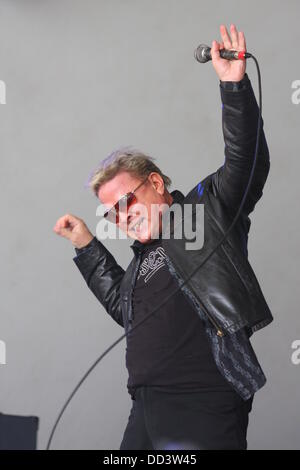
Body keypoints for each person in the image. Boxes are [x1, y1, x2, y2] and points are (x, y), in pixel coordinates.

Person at [53, 24, 273, 450]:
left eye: (127, 201)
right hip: (145, 409)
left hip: (200, 401)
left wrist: (234, 88)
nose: (122, 216)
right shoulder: (141, 262)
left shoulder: (205, 214)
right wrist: (85, 244)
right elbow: (126, 309)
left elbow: (246, 162)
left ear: (155, 183)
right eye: (111, 212)